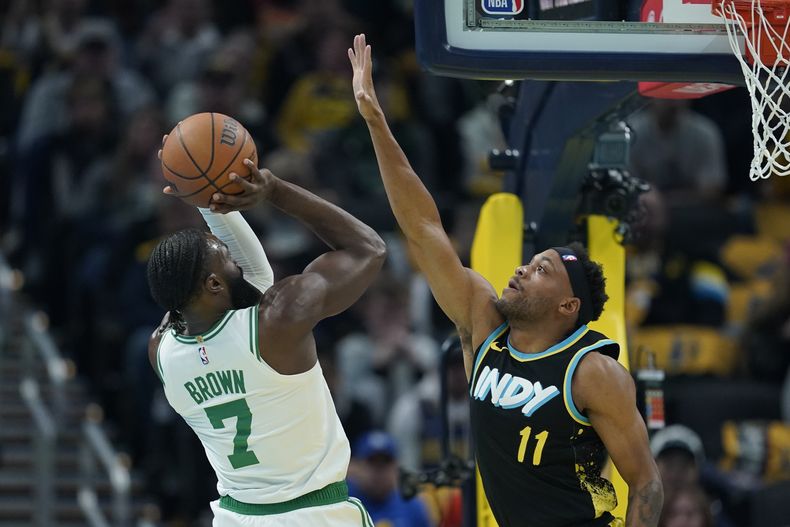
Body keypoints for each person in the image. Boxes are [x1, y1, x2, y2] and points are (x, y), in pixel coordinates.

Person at [349, 34, 663, 527]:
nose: (521, 268)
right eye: (529, 262)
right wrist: (376, 122)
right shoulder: (484, 326)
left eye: (542, 270)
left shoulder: (591, 372)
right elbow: (424, 227)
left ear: (568, 306)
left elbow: (645, 483)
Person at [146, 152, 386, 525]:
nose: (236, 264)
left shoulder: (161, 350)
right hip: (314, 515)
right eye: (227, 260)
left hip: (236, 517)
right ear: (213, 284)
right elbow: (369, 248)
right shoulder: (277, 322)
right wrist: (273, 190)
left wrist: (205, 196)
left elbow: (246, 282)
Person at [347, 430, 433, 527]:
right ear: (357, 466)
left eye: (385, 463)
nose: (379, 472)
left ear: (396, 467)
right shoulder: (344, 503)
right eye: (372, 463)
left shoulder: (412, 506)